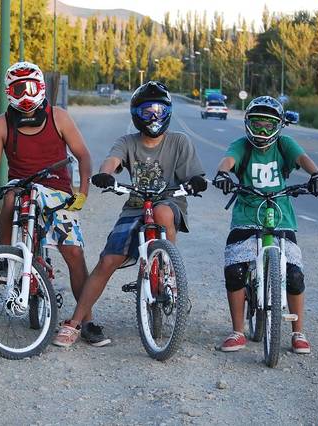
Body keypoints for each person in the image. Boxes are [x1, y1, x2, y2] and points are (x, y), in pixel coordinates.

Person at [53, 81, 207, 347]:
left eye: (158, 110)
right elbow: (112, 160)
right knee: (107, 260)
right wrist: (106, 174)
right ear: (136, 114)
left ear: (168, 112)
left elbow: (195, 174)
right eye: (147, 111)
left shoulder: (179, 142)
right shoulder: (128, 142)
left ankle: (168, 267)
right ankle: (75, 322)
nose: (153, 117)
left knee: (161, 211)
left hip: (168, 203)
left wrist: (196, 181)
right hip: (135, 206)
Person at [0, 61, 101, 342]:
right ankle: (8, 257)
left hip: (57, 191)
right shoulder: (2, 124)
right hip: (21, 186)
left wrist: (83, 192)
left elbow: (83, 155)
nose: (26, 94)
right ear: (9, 91)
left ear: (41, 87)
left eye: (31, 87)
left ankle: (87, 320)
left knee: (73, 254)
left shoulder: (59, 117)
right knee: (9, 198)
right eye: (19, 88)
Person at [211, 96, 318, 354]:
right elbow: (228, 160)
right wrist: (222, 175)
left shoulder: (284, 144)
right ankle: (237, 331)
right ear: (247, 124)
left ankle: (298, 332)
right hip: (246, 214)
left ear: (279, 127)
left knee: (295, 275)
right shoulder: (242, 145)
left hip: (280, 213)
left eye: (268, 126)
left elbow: (303, 159)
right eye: (256, 125)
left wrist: (316, 175)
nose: (262, 131)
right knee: (235, 272)